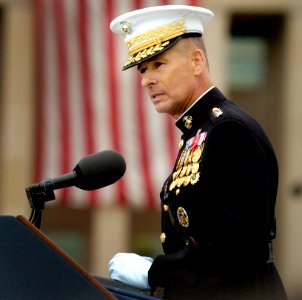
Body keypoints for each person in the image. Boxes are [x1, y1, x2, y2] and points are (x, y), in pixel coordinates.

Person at [108, 5, 287, 299]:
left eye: (158, 64)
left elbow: (235, 249)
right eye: (143, 69)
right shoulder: (200, 132)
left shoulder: (230, 130)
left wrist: (153, 272)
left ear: (196, 60)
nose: (146, 80)